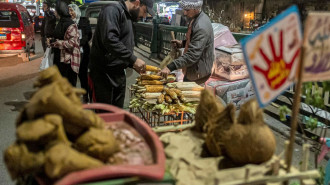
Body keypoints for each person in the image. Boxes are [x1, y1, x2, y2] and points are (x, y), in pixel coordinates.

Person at [89, 0, 155, 108]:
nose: (144, 16)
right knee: (104, 114)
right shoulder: (112, 10)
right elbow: (110, 40)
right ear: (137, 3)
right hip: (104, 74)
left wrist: (131, 64)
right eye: (144, 11)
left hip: (118, 73)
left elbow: (122, 45)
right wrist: (133, 59)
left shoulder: (128, 16)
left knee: (117, 111)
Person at [159, 0, 214, 84]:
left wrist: (170, 67)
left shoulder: (201, 26)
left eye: (187, 10)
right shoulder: (195, 18)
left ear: (196, 9)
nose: (184, 13)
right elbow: (195, 41)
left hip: (198, 72)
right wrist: (183, 43)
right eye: (184, 9)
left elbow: (192, 55)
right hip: (193, 69)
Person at [50, 0, 80, 86]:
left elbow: (72, 43)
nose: (54, 12)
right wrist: (52, 41)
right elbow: (58, 37)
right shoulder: (60, 23)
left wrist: (58, 42)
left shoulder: (71, 24)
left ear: (60, 11)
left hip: (68, 61)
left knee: (69, 85)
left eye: (55, 10)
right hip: (59, 58)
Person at [68, 4, 92, 103]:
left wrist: (79, 43)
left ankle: (85, 96)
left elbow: (88, 35)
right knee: (72, 77)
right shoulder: (68, 23)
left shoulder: (84, 21)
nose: (70, 13)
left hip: (83, 53)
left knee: (83, 76)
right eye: (68, 11)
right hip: (72, 54)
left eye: (72, 10)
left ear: (76, 11)